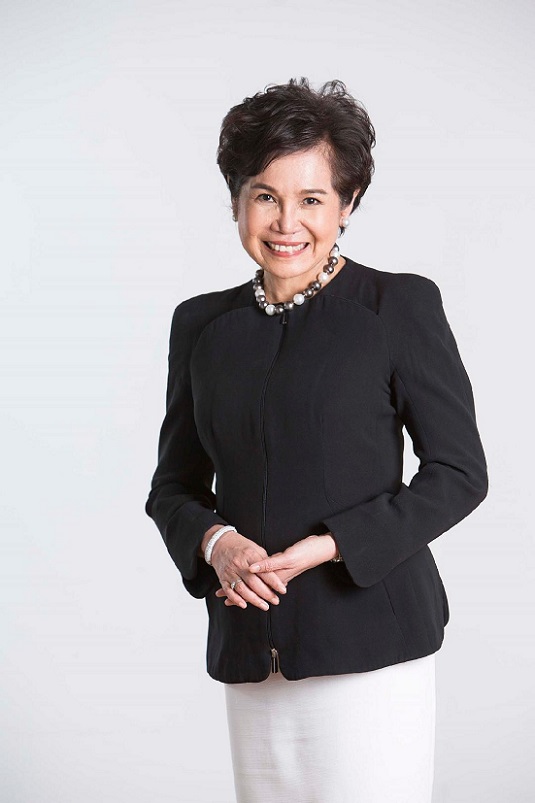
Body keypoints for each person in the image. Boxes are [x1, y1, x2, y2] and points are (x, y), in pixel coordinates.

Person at [144, 77, 489, 803]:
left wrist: (329, 546)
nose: (285, 223)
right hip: (250, 652)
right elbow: (172, 487)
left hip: (371, 647)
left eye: (311, 199)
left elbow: (459, 472)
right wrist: (216, 543)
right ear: (236, 200)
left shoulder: (396, 306)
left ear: (347, 204)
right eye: (264, 196)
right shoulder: (201, 326)